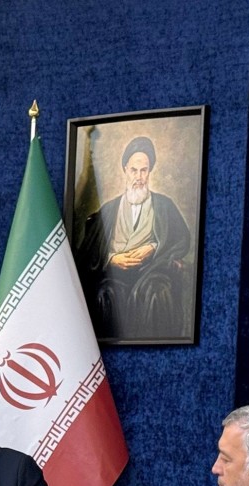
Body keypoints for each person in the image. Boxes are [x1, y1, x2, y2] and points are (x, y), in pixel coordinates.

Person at [76, 136, 192, 340]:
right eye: (134, 170)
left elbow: (181, 240)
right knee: (106, 294)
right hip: (116, 275)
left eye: (144, 170)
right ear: (125, 170)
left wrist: (154, 247)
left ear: (150, 171)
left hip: (152, 272)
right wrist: (111, 259)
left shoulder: (164, 206)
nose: (139, 177)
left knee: (157, 292)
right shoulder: (108, 211)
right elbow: (88, 252)